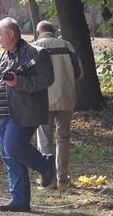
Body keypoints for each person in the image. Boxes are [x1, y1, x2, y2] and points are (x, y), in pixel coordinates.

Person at [0, 17, 55, 213]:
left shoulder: (36, 53)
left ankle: (45, 165)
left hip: (23, 112)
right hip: (0, 114)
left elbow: (46, 79)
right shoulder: (4, 55)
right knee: (10, 157)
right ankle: (20, 201)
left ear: (11, 34)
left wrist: (20, 83)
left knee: (14, 146)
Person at [33, 20, 84, 189]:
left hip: (42, 99)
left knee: (44, 140)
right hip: (65, 97)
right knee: (63, 138)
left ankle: (49, 180)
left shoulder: (34, 47)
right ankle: (63, 177)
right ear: (53, 32)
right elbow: (79, 72)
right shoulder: (67, 45)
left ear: (39, 33)